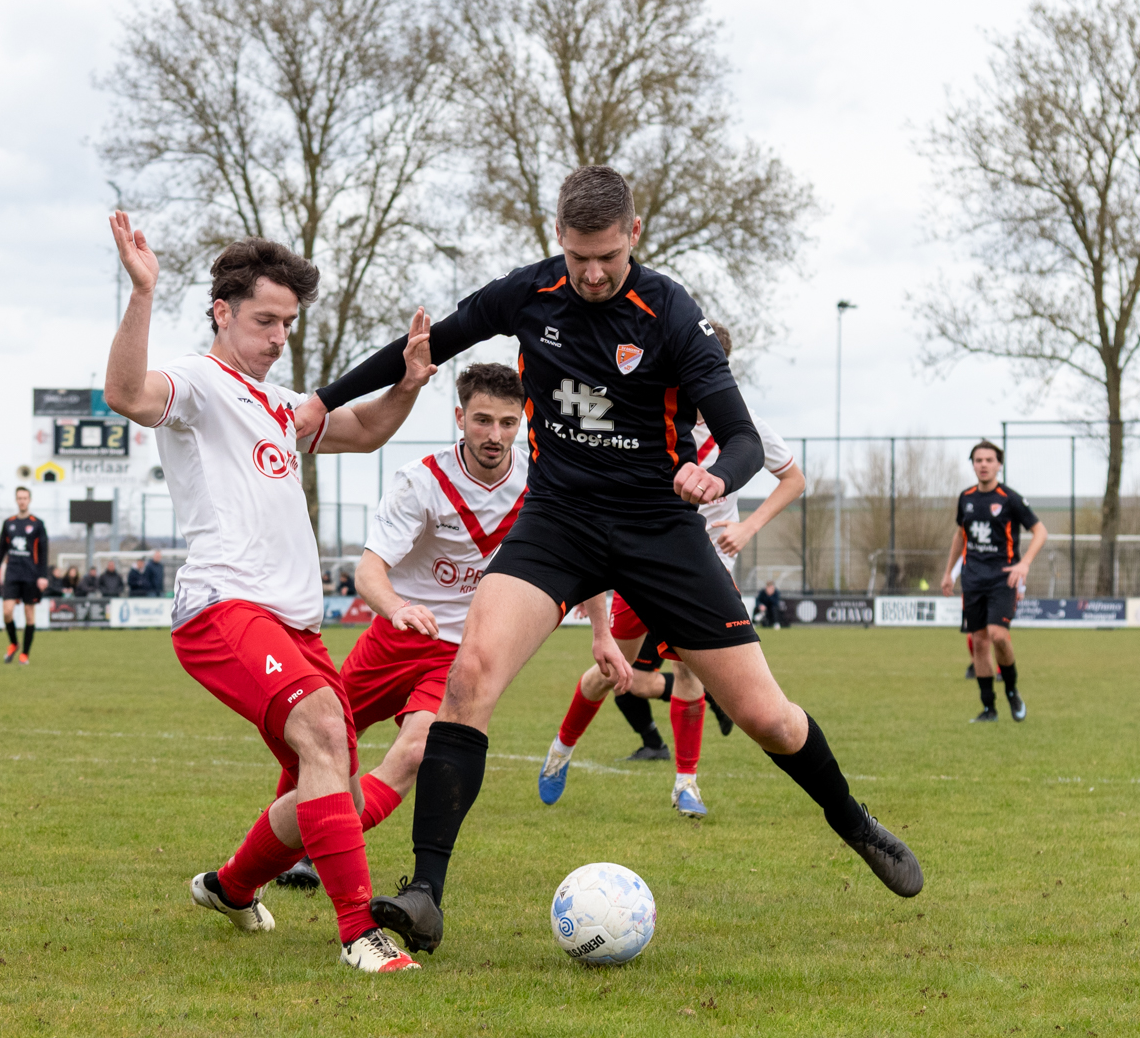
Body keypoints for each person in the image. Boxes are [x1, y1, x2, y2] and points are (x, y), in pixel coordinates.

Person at [306, 166, 923, 958]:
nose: (592, 273)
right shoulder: (528, 293)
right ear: (557, 238)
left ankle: (853, 820)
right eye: (578, 256)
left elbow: (740, 437)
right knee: (468, 678)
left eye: (607, 256)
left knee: (767, 716)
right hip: (558, 521)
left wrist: (716, 477)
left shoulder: (672, 314)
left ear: (634, 233)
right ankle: (425, 892)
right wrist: (323, 399)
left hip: (659, 529)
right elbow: (420, 348)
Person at [102, 210, 434, 972]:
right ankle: (359, 934)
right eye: (265, 320)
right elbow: (126, 393)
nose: (279, 336)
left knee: (330, 780)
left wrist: (409, 386)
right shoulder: (198, 383)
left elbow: (364, 431)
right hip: (224, 605)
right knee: (321, 733)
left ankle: (231, 887)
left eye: (288, 323)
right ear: (222, 312)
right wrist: (143, 293)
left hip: (297, 625)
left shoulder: (282, 405)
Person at [277, 363, 531, 893]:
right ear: (459, 417)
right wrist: (396, 608)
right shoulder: (422, 481)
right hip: (394, 639)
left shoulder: (540, 480)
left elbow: (577, 548)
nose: (495, 434)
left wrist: (601, 632)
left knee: (417, 751)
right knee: (320, 737)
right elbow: (369, 571)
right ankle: (284, 848)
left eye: (508, 423)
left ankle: (316, 843)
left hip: (460, 652)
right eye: (482, 420)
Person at [541, 321, 804, 819]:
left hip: (703, 570)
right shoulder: (643, 412)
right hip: (641, 566)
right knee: (610, 672)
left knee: (689, 671)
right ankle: (561, 749)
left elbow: (794, 478)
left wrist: (748, 528)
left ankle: (687, 784)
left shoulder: (741, 426)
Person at [941, 442, 1047, 723]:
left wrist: (1024, 564)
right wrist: (949, 573)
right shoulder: (966, 498)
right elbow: (960, 536)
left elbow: (1040, 531)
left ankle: (1011, 691)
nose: (983, 464)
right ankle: (989, 708)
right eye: (978, 460)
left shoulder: (1010, 499)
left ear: (999, 465)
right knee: (979, 642)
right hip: (973, 579)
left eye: (989, 460)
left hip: (1003, 578)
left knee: (998, 635)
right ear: (973, 464)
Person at [0, 486, 50, 664]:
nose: (22, 501)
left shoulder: (38, 524)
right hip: (12, 573)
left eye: (25, 498)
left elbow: (43, 552)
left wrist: (43, 575)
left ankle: (25, 654)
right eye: (19, 498)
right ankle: (14, 643)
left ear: (29, 500)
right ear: (16, 500)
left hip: (31, 575)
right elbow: (1, 550)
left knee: (29, 614)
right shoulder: (9, 523)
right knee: (7, 612)